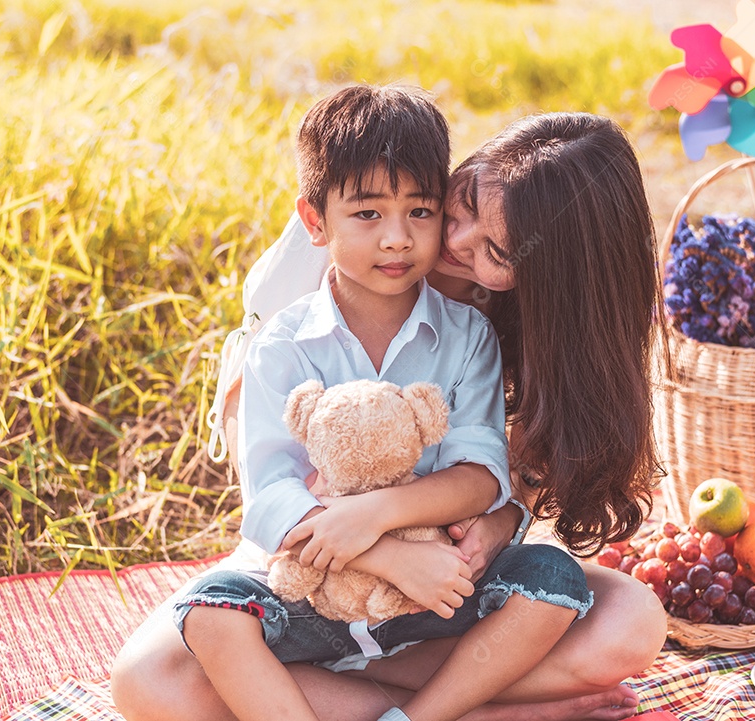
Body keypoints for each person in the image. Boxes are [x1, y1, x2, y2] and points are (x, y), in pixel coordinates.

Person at [112, 109, 668, 721]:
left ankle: (360, 692)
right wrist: (373, 543)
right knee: (151, 683)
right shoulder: (339, 254)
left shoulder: (491, 327)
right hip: (315, 556)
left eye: (496, 250)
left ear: (544, 276)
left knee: (632, 624)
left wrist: (502, 520)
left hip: (438, 574)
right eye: (463, 202)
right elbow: (269, 488)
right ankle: (485, 710)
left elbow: (503, 462)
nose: (451, 241)